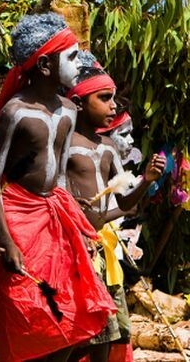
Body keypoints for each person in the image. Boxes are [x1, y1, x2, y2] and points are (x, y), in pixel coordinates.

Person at [0, 12, 116, 362]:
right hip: (17, 218)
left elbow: (57, 179)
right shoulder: (16, 112)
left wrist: (76, 227)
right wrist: (7, 240)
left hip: (54, 217)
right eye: (71, 57)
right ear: (44, 65)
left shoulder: (70, 110)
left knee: (70, 316)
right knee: (29, 312)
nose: (78, 65)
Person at [65, 59, 165, 362]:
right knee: (77, 328)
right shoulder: (63, 143)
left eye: (112, 98)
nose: (112, 107)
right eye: (104, 98)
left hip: (98, 245)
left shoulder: (107, 147)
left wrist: (146, 180)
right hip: (72, 246)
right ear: (80, 104)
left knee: (107, 330)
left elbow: (124, 203)